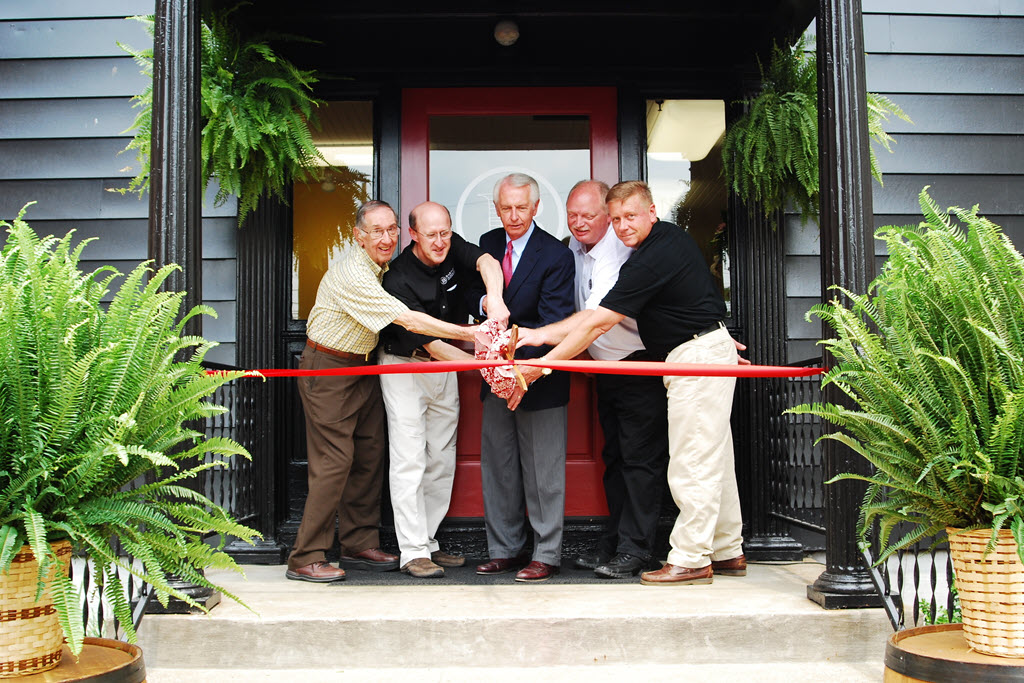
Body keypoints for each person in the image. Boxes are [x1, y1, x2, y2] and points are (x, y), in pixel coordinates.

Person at [514, 180, 747, 586]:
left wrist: (543, 362)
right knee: (715, 458)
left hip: (693, 355)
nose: (622, 226)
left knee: (693, 461)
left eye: (630, 216)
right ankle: (728, 550)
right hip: (693, 351)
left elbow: (600, 320)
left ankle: (691, 558)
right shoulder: (651, 247)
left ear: (652, 213)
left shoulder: (652, 254)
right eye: (617, 218)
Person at [286, 200, 480, 584]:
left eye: (391, 229)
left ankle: (359, 542)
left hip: (363, 366)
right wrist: (470, 334)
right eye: (377, 231)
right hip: (328, 366)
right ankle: (305, 555)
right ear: (358, 236)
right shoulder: (354, 274)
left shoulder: (385, 268)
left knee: (370, 455)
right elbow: (406, 319)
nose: (386, 237)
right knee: (334, 462)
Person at [378, 201, 509, 579]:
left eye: (446, 233)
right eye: (431, 235)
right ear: (414, 235)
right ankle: (412, 551)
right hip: (407, 364)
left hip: (444, 369)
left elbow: (487, 262)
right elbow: (432, 343)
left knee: (441, 457)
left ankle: (429, 541)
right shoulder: (397, 279)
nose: (440, 242)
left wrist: (495, 300)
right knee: (409, 458)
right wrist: (487, 363)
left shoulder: (453, 245)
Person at [563, 180, 670, 579]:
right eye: (573, 215)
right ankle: (614, 542)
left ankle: (637, 550)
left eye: (589, 215)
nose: (579, 223)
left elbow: (596, 319)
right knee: (615, 461)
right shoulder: (570, 248)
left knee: (641, 462)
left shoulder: (623, 253)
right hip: (605, 370)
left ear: (605, 217)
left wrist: (544, 351)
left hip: (639, 364)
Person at [473, 173, 575, 582]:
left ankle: (546, 553)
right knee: (498, 467)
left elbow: (553, 322)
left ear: (536, 208)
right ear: (496, 209)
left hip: (540, 376)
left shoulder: (556, 255)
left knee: (544, 473)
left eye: (521, 207)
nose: (513, 215)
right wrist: (484, 300)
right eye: (506, 207)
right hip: (493, 378)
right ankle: (504, 549)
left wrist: (518, 374)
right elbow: (471, 295)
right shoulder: (487, 244)